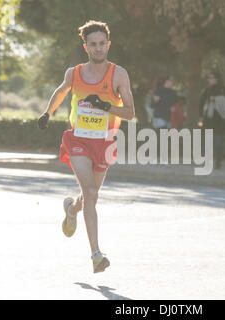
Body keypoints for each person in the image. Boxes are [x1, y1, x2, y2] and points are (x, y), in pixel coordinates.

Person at [37, 20, 135, 273]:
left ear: (108, 45)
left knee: (89, 195)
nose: (99, 48)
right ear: (86, 47)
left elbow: (130, 112)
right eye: (93, 44)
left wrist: (106, 106)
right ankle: (96, 254)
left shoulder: (119, 74)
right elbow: (61, 91)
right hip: (78, 139)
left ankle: (71, 209)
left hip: (104, 143)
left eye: (102, 44)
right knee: (91, 191)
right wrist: (47, 113)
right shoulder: (75, 73)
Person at [199, 71, 225, 169]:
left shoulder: (223, 89)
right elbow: (201, 103)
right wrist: (201, 116)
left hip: (219, 120)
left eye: (212, 78)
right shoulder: (207, 90)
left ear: (217, 79)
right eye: (209, 78)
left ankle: (218, 162)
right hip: (208, 119)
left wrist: (216, 99)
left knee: (218, 143)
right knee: (207, 142)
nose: (210, 80)